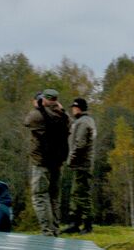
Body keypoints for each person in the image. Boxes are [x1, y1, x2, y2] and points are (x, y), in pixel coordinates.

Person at [24, 88, 70, 236]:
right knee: (54, 198)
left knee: (39, 196)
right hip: (57, 162)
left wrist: (38, 106)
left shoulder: (38, 115)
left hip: (41, 162)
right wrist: (61, 109)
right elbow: (69, 125)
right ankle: (55, 229)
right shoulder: (64, 117)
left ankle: (47, 231)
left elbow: (26, 121)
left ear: (43, 100)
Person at [64, 96, 97, 234]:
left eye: (74, 107)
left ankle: (87, 224)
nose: (72, 109)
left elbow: (80, 144)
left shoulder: (83, 123)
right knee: (76, 193)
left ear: (78, 108)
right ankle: (75, 223)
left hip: (82, 163)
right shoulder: (86, 120)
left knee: (82, 194)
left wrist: (71, 159)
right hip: (83, 163)